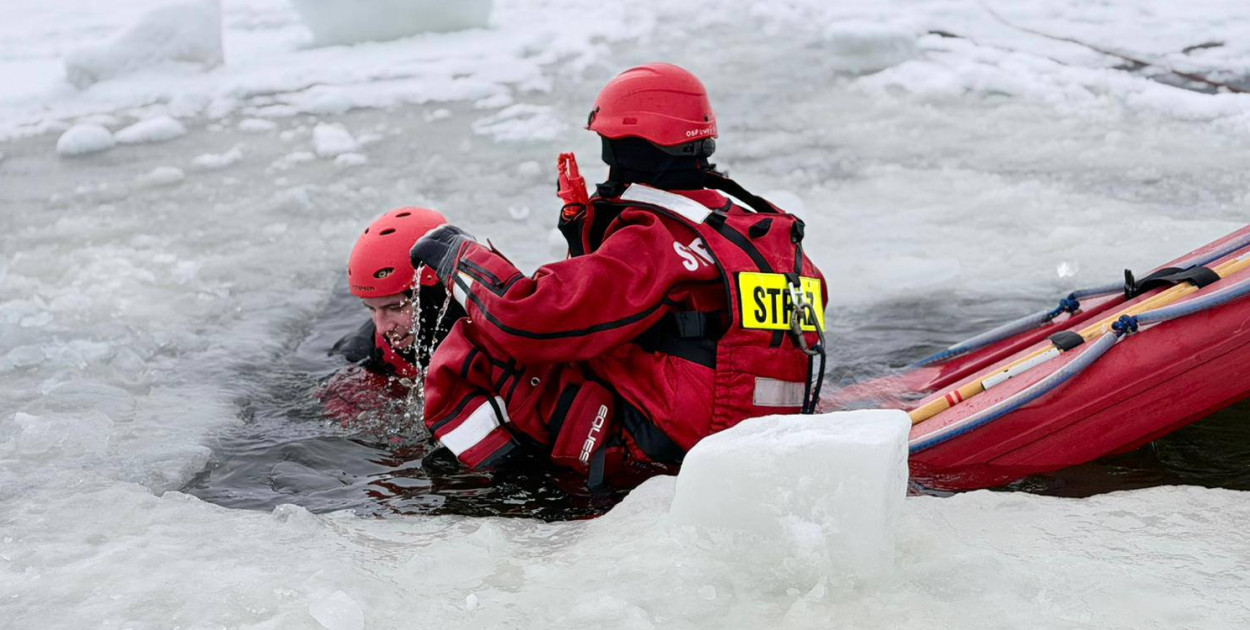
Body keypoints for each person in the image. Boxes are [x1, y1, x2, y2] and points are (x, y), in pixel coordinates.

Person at [411, 63, 828, 488]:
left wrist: (458, 256)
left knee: (477, 342)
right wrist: (587, 234)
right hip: (764, 437)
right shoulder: (766, 235)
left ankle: (502, 484)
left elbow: (527, 319)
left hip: (665, 450)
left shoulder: (656, 236)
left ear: (626, 148)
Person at [320, 207, 466, 426]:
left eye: (396, 307)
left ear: (436, 295)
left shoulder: (492, 334)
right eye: (371, 309)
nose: (381, 327)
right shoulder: (361, 356)